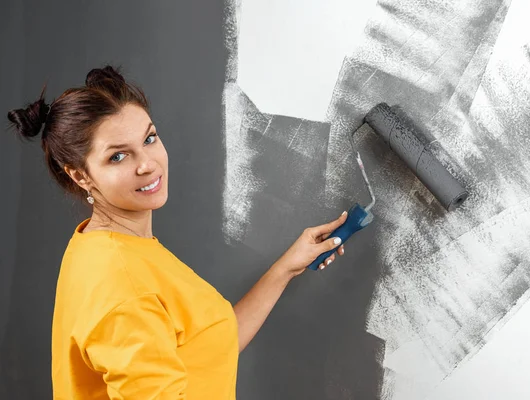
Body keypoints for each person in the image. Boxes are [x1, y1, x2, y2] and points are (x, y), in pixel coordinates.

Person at [7, 65, 348, 399]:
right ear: (81, 176)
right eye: (118, 157)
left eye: (149, 139)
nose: (148, 164)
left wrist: (285, 268)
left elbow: (204, 350)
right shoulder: (124, 284)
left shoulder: (104, 247)